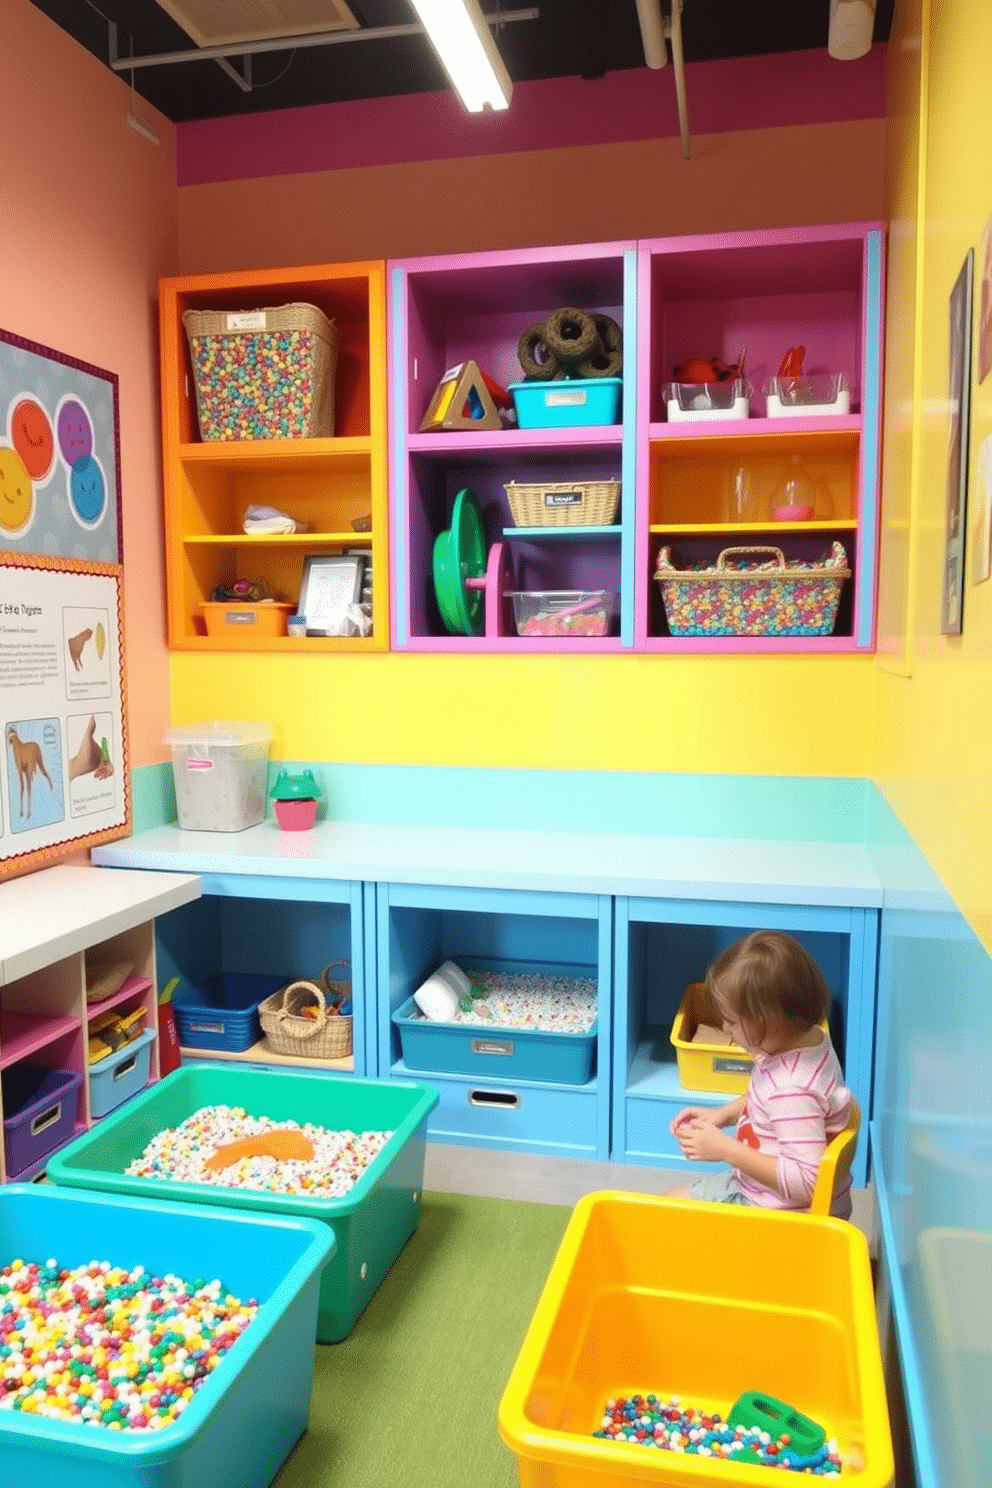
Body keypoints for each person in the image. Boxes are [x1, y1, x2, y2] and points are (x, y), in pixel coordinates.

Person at [668, 930, 853, 1219]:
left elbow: (809, 1182)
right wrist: (724, 1114)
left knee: (666, 1210)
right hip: (765, 1191)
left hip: (777, 1212)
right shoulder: (809, 1040)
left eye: (731, 1022)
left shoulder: (791, 1089)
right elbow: (764, 1099)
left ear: (768, 1021)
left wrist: (726, 1149)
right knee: (671, 1201)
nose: (725, 1030)